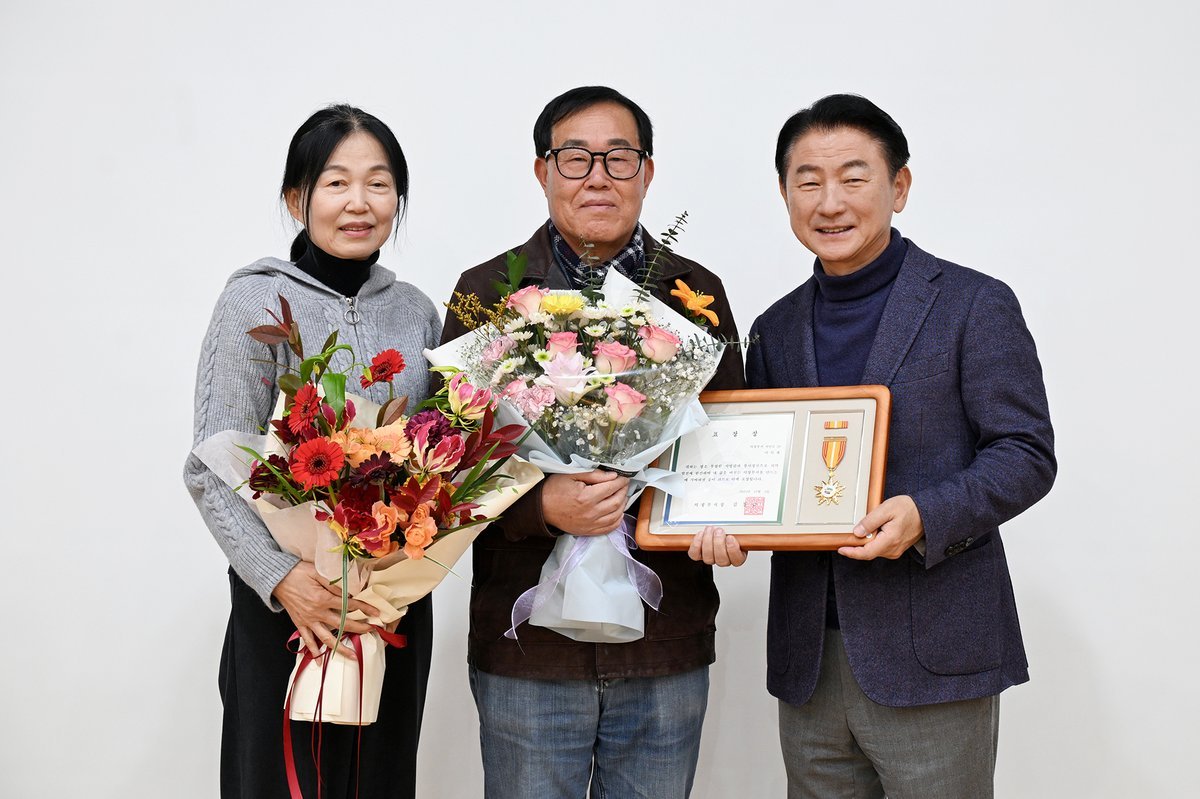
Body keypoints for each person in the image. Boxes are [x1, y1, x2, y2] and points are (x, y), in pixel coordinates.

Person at [742, 94, 1057, 798]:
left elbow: (1026, 452)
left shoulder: (974, 303)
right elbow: (761, 469)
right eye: (808, 181)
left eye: (853, 177)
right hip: (808, 660)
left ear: (900, 186)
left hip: (933, 651)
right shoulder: (774, 328)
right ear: (785, 194)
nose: (830, 202)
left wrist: (924, 514)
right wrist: (723, 522)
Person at [439, 85, 745, 799]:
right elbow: (445, 465)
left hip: (664, 642)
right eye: (575, 158)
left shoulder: (695, 294)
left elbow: (729, 444)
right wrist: (540, 505)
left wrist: (731, 517)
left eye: (619, 157)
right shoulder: (487, 294)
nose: (598, 176)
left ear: (647, 172)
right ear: (542, 171)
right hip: (529, 652)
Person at [184, 104, 442, 799]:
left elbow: (437, 461)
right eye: (336, 183)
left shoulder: (417, 311)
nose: (360, 202)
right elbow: (211, 467)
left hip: (388, 606)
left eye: (379, 183)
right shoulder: (255, 301)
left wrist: (402, 562)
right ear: (297, 198)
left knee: (381, 778)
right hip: (285, 610)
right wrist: (282, 578)